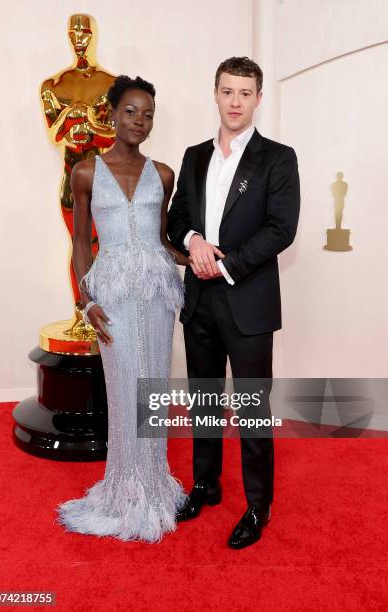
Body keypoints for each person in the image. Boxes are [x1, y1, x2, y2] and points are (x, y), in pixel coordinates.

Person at [167, 57, 300, 549]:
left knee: (250, 409)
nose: (236, 102)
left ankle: (258, 507)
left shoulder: (278, 158)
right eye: (228, 92)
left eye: (245, 93)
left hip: (247, 301)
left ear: (259, 98)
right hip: (199, 299)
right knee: (203, 401)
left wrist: (223, 264)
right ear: (216, 94)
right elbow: (176, 215)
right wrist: (194, 240)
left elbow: (281, 229)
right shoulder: (195, 155)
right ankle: (206, 484)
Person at [56, 75, 188, 543]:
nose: (139, 121)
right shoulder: (86, 172)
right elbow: (78, 243)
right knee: (125, 387)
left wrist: (196, 256)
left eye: (148, 114)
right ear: (112, 113)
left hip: (156, 295)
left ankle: (152, 485)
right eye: (131, 111)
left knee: (152, 388)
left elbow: (164, 240)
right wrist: (86, 300)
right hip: (111, 296)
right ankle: (125, 491)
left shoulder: (165, 174)